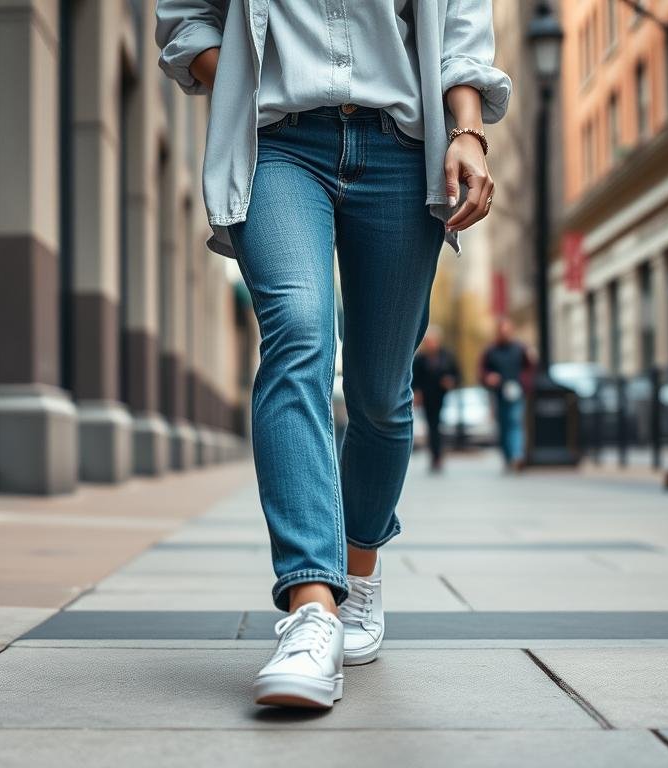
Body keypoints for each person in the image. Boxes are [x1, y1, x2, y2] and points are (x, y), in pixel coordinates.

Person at [157, 0, 510, 708]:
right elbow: (185, 20)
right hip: (279, 146)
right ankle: (311, 609)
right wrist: (244, 81)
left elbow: (460, 23)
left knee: (381, 392)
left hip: (401, 151)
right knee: (299, 333)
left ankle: (360, 569)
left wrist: (467, 129)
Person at [479, 318, 532, 472]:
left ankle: (517, 455)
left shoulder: (520, 349)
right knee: (503, 426)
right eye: (502, 331)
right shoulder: (490, 351)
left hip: (517, 392)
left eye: (507, 331)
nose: (505, 334)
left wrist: (523, 382)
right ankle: (508, 457)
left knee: (515, 422)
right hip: (499, 394)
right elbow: (482, 371)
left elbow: (530, 368)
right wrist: (488, 378)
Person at [412, 326, 460, 472]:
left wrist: (451, 381)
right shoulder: (420, 359)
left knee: (438, 426)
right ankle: (436, 456)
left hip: (443, 397)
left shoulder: (447, 356)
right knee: (432, 426)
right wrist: (417, 393)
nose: (430, 344)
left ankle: (438, 455)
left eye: (432, 341)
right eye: (428, 341)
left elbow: (457, 375)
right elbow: (414, 379)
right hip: (427, 397)